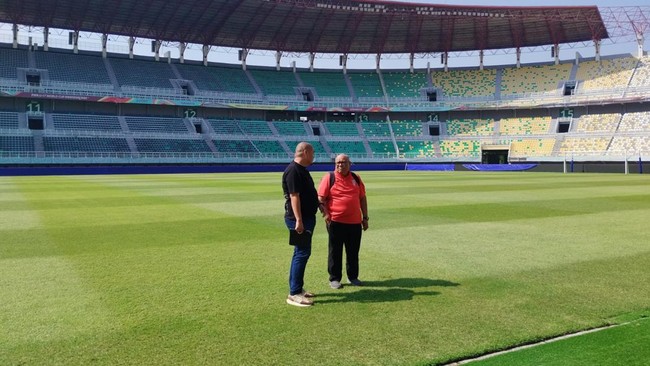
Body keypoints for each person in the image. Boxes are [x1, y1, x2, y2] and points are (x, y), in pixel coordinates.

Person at [282, 142, 324, 307]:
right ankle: (294, 293)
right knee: (301, 253)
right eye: (312, 152)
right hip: (299, 219)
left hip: (305, 218)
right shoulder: (293, 171)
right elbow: (294, 197)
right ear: (305, 152)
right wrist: (299, 220)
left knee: (301, 253)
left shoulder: (302, 170)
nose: (313, 156)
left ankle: (297, 288)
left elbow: (308, 194)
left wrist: (319, 205)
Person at [317, 154, 368, 289]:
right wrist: (326, 214)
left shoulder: (356, 178)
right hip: (335, 221)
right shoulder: (329, 177)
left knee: (353, 251)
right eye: (338, 162)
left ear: (349, 164)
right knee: (335, 251)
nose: (340, 165)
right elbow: (320, 199)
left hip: (355, 222)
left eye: (343, 162)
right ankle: (334, 278)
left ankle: (353, 276)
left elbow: (362, 198)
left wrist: (365, 217)